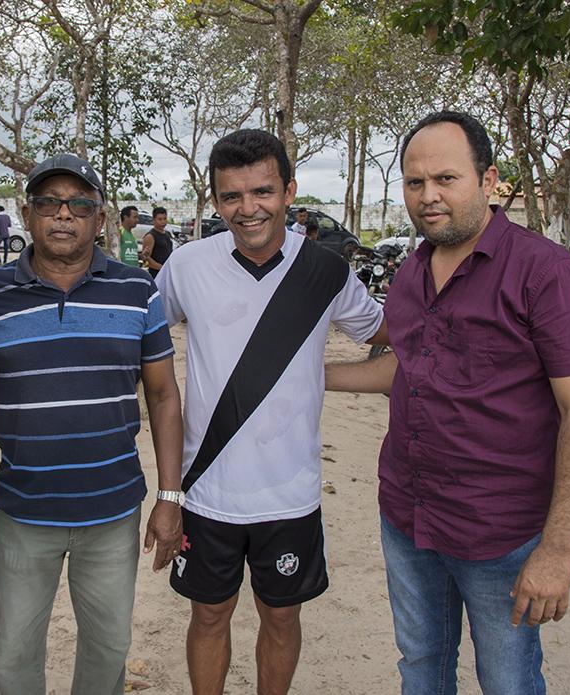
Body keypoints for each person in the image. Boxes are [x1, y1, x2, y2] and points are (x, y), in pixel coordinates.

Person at [326, 111, 570, 694]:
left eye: (446, 179)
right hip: (407, 516)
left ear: (489, 180)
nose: (428, 197)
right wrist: (311, 376)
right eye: (414, 183)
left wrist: (557, 550)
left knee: (507, 680)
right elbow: (405, 368)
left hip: (498, 531)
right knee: (421, 666)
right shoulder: (410, 274)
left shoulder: (546, 273)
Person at [154, 129, 387, 695]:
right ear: (213, 200)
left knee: (282, 618)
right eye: (231, 196)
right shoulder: (186, 265)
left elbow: (392, 340)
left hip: (290, 493)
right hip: (206, 488)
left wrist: (316, 375)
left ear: (289, 191)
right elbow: (144, 344)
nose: (247, 208)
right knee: (208, 616)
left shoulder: (327, 272)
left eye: (262, 192)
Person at [0, 153, 184, 695]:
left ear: (100, 218)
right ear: (27, 212)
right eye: (49, 202)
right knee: (14, 656)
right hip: (21, 512)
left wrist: (170, 497)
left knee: (108, 651)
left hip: (111, 513)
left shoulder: (137, 291)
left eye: (80, 204)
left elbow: (162, 394)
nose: (64, 215)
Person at [140, 205, 172, 277]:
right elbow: (147, 259)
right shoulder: (150, 236)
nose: (163, 222)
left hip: (167, 272)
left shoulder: (167, 234)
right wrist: (162, 268)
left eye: (164, 219)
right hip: (157, 274)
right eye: (160, 219)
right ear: (154, 220)